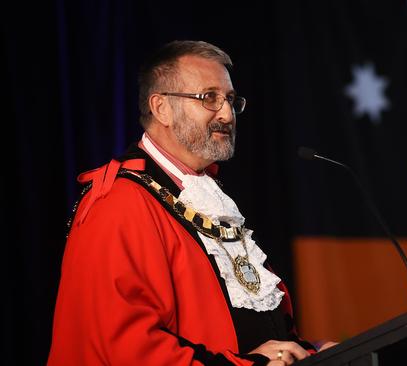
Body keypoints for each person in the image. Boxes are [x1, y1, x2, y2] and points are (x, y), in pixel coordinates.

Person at [48, 40, 335, 365]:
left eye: (229, 99)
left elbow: (254, 328)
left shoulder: (207, 196)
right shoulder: (119, 201)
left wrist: (308, 353)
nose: (226, 114)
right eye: (208, 98)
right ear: (161, 108)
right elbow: (125, 348)